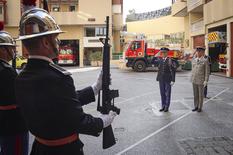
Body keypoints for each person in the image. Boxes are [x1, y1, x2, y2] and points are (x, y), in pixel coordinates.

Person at [15, 8, 117, 155]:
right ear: (45, 42)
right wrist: (103, 121)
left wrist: (95, 88)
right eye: (56, 38)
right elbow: (77, 121)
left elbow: (61, 103)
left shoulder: (20, 78)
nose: (58, 42)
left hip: (39, 149)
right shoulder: (58, 78)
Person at [0, 29, 29, 155]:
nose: (14, 51)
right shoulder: (7, 71)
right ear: (2, 50)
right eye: (11, 48)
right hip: (14, 125)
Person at [156, 47, 177, 112]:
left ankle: (167, 107)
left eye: (164, 52)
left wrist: (173, 80)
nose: (163, 54)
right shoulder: (160, 60)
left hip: (168, 79)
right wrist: (158, 53)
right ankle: (163, 106)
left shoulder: (170, 60)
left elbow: (173, 71)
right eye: (162, 52)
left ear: (167, 53)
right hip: (161, 79)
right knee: (162, 93)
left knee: (167, 93)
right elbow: (153, 60)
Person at [191, 47, 210, 112]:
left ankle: (200, 107)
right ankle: (196, 106)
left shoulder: (205, 60)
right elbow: (193, 69)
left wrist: (206, 80)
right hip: (194, 79)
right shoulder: (194, 59)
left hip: (201, 80)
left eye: (199, 51)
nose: (198, 53)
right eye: (197, 51)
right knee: (195, 94)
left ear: (202, 52)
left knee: (200, 95)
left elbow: (207, 72)